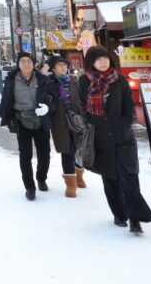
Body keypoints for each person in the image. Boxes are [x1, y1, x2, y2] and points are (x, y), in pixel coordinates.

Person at [80, 45, 151, 234]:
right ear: (91, 62)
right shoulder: (83, 81)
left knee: (129, 178)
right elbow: (82, 106)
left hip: (123, 138)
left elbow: (129, 106)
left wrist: (123, 127)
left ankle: (135, 219)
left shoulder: (120, 80)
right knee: (111, 179)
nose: (103, 62)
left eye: (105, 58)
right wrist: (91, 126)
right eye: (98, 59)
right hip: (100, 139)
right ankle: (119, 214)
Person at [0, 52, 55, 200]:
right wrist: (5, 116)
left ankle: (41, 178)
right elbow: (5, 99)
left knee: (44, 153)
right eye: (22, 61)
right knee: (25, 155)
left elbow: (54, 98)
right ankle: (29, 187)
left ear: (34, 63)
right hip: (21, 120)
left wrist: (48, 108)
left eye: (29, 61)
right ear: (18, 64)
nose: (26, 64)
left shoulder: (43, 80)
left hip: (41, 120)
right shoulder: (11, 80)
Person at [46, 55, 87, 198]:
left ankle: (79, 176)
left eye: (64, 65)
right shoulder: (49, 83)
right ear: (53, 68)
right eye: (59, 65)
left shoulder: (76, 80)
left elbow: (84, 99)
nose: (63, 67)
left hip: (77, 120)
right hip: (60, 122)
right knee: (67, 150)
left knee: (80, 149)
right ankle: (71, 184)